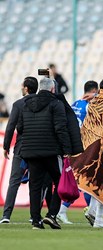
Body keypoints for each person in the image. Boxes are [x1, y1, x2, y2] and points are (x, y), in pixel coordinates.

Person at [18, 78, 72, 229]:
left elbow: (20, 127)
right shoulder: (56, 104)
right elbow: (60, 128)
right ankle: (52, 215)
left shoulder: (26, 104)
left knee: (35, 186)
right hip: (51, 151)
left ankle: (36, 220)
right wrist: (67, 150)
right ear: (53, 90)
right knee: (61, 183)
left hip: (31, 151)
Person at [71, 78, 103, 228]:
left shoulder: (93, 102)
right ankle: (99, 219)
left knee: (96, 183)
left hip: (91, 147)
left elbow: (89, 124)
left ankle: (94, 212)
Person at [56, 80, 98, 224]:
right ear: (93, 91)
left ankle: (89, 210)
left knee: (84, 181)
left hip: (73, 146)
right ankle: (64, 211)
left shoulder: (74, 104)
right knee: (86, 181)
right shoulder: (90, 107)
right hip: (84, 147)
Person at [0, 77, 38, 224]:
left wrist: (6, 146)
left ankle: (6, 216)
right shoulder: (44, 103)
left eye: (22, 86)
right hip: (39, 148)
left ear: (26, 88)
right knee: (36, 182)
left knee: (14, 181)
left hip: (22, 147)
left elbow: (10, 127)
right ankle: (34, 215)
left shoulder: (18, 104)